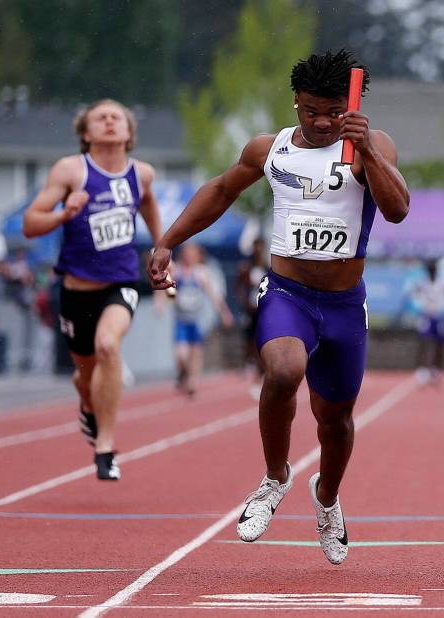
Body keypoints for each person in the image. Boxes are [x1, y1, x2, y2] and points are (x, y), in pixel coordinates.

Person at [147, 50, 408, 565]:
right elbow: (220, 190)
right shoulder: (270, 149)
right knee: (284, 370)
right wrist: (167, 241)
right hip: (288, 293)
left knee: (335, 420)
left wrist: (367, 152)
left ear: (348, 108)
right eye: (312, 110)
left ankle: (327, 498)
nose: (322, 122)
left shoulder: (371, 147)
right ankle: (274, 477)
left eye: (334, 112)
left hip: (343, 305)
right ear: (296, 103)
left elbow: (397, 210)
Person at [23, 99, 162, 481]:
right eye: (101, 118)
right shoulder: (70, 170)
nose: (110, 122)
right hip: (75, 290)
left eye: (117, 117)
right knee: (85, 375)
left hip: (120, 284)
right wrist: (63, 214)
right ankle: (88, 404)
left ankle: (105, 446)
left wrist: (160, 247)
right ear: (87, 133)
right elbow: (30, 224)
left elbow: (148, 205)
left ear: (129, 132)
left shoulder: (142, 173)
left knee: (108, 346)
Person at [167, 242, 234, 396]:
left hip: (196, 320)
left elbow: (213, 295)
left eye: (192, 253)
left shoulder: (201, 273)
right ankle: (184, 373)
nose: (189, 256)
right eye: (187, 253)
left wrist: (224, 313)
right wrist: (163, 301)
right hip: (181, 320)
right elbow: (167, 289)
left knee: (196, 352)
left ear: (197, 256)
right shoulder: (177, 271)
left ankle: (192, 382)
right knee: (182, 355)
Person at [235, 237, 270, 399]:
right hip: (251, 311)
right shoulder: (246, 267)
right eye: (255, 247)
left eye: (260, 247)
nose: (258, 250)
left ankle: (260, 375)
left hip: (264, 310)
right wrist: (244, 303)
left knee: (262, 344)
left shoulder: (268, 267)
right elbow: (238, 287)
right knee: (249, 342)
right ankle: (249, 366)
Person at [411, 261, 444, 386]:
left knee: (441, 344)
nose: (432, 272)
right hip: (427, 316)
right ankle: (422, 370)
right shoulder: (423, 283)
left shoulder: (443, 282)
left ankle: (435, 370)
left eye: (433, 270)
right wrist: (421, 305)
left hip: (440, 317)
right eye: (430, 270)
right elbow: (415, 294)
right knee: (423, 342)